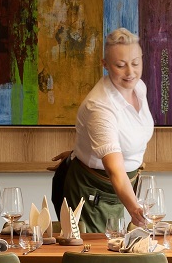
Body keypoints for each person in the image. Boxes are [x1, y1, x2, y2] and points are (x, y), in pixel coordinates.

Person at [59, 28, 153, 234]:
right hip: (93, 193)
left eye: (136, 63)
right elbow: (115, 170)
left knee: (119, 253)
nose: (130, 72)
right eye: (120, 65)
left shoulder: (139, 88)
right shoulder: (99, 106)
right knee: (95, 259)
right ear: (105, 65)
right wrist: (135, 209)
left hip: (122, 189)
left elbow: (129, 135)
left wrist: (82, 149)